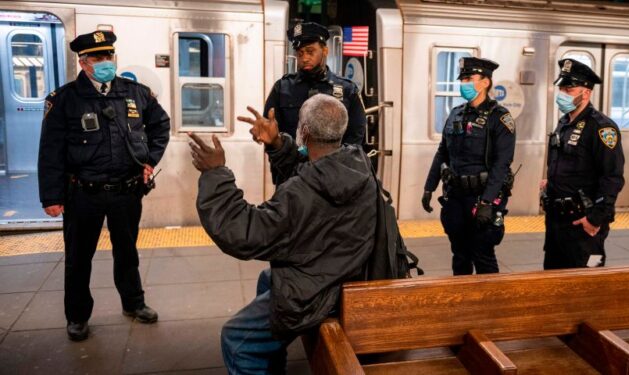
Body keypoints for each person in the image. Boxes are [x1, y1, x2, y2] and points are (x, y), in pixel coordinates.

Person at [189, 94, 376, 374]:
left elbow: (244, 233)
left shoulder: (299, 195)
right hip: (347, 268)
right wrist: (277, 145)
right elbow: (314, 175)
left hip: (323, 292)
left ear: (304, 131)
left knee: (236, 340)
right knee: (268, 279)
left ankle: (256, 359)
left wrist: (215, 173)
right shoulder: (358, 167)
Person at [38, 30, 170, 341]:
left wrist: (148, 159)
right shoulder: (64, 100)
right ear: (83, 63)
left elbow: (160, 125)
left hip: (127, 191)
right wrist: (51, 196)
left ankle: (133, 303)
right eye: (98, 57)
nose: (105, 62)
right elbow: (50, 151)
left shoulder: (135, 92)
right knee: (78, 257)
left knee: (127, 252)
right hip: (84, 193)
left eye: (108, 55)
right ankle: (78, 316)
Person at [421, 57, 516, 275]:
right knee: (460, 253)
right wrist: (429, 187)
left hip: (481, 197)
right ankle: (462, 302)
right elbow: (442, 152)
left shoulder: (499, 118)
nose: (463, 83)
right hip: (455, 196)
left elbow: (502, 164)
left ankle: (488, 304)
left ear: (485, 82)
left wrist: (488, 201)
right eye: (462, 78)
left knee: (482, 253)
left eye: (469, 78)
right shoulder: (456, 113)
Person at [540, 58, 625, 270]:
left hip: (584, 223)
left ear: (586, 93)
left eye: (569, 89)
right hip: (557, 222)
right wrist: (551, 181)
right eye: (561, 88)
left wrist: (595, 219)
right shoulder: (564, 123)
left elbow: (612, 177)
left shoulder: (602, 128)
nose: (562, 94)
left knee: (587, 280)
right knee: (553, 280)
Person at [263, 22, 365, 184]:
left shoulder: (347, 90)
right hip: (291, 178)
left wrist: (331, 170)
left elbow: (355, 138)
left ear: (325, 51)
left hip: (332, 180)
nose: (304, 58)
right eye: (300, 52)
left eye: (310, 52)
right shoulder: (282, 88)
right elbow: (273, 135)